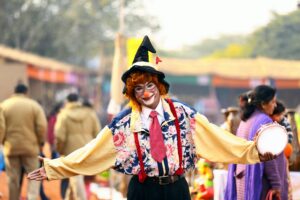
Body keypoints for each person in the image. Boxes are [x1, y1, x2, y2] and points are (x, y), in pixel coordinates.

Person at [28, 36, 274, 200]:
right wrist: (55, 167)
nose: (146, 92)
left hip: (178, 189)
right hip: (142, 191)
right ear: (132, 93)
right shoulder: (124, 123)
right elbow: (92, 152)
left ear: (159, 85)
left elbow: (219, 140)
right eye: (138, 89)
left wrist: (254, 152)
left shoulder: (183, 114)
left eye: (149, 85)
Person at [225, 85, 288, 200]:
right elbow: (268, 157)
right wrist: (276, 185)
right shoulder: (265, 121)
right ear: (263, 103)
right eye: (273, 102)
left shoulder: (246, 120)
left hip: (242, 179)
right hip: (259, 182)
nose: (275, 105)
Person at [0, 83, 47, 200]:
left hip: (11, 148)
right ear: (26, 92)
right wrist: (41, 143)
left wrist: (2, 141)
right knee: (34, 177)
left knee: (13, 179)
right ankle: (31, 197)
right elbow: (41, 126)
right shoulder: (34, 106)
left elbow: (1, 126)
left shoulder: (4, 105)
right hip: (30, 149)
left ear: (14, 92)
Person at [54, 93, 101, 200]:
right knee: (75, 179)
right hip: (87, 150)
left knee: (75, 179)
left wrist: (60, 150)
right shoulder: (90, 113)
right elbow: (98, 133)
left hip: (70, 152)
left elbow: (59, 136)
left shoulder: (63, 115)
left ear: (67, 101)